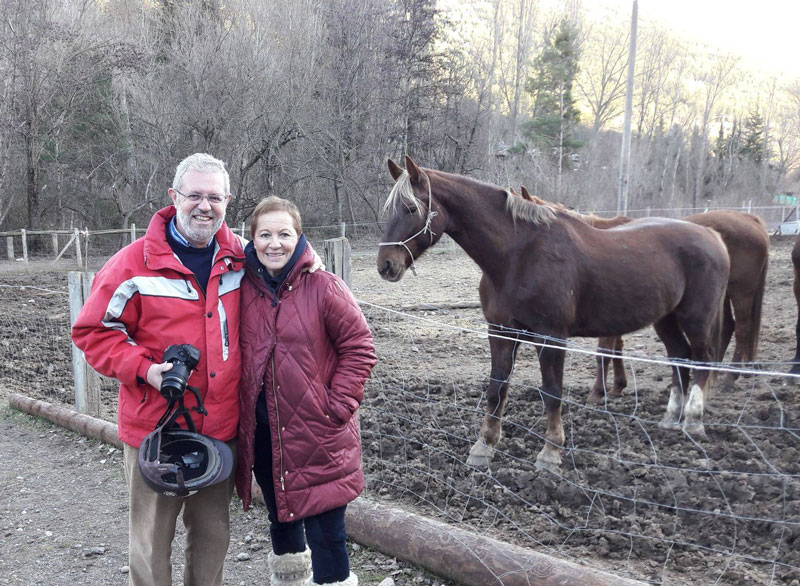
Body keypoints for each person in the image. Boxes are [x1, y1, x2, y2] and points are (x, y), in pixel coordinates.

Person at [72, 153, 246, 586]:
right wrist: (146, 370)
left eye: (214, 197)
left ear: (228, 201)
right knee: (150, 544)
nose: (204, 206)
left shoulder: (242, 258)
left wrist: (312, 261)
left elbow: (290, 260)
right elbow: (93, 331)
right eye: (194, 196)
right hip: (155, 429)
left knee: (213, 540)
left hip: (220, 427)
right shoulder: (133, 264)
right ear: (173, 197)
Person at [236, 196, 377, 586]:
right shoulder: (243, 289)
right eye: (265, 234)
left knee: (326, 535)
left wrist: (339, 405)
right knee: (281, 518)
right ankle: (291, 580)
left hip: (319, 434)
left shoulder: (324, 285)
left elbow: (359, 347)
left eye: (284, 233)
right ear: (252, 240)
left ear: (299, 238)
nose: (274, 243)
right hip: (265, 434)